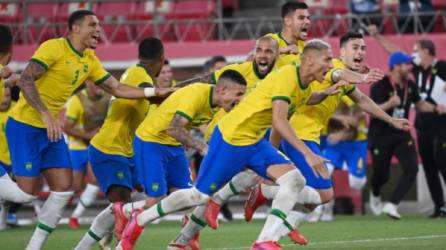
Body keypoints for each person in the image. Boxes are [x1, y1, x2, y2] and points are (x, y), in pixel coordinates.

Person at [115, 39, 342, 250]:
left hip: (253, 140)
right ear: (309, 60)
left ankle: (264, 241)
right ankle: (141, 218)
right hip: (232, 139)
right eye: (327, 60)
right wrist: (307, 154)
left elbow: (276, 122)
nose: (330, 65)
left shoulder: (301, 86)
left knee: (294, 179)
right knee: (198, 197)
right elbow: (279, 120)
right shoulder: (287, 77)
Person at [4, 10, 173, 250]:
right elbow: (26, 80)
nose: (99, 29)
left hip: (49, 131)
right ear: (75, 28)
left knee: (63, 191)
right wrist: (45, 114)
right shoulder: (53, 47)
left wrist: (152, 92)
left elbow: (117, 88)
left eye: (100, 25)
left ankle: (33, 247)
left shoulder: (90, 60)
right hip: (25, 125)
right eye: (93, 25)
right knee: (26, 194)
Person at [166, 35, 280, 250]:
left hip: (247, 137)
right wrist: (170, 91)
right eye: (260, 50)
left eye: (269, 51)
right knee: (205, 192)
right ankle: (146, 218)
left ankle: (185, 236)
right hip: (224, 136)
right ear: (254, 53)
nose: (263, 55)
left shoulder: (279, 75)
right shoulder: (241, 70)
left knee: (242, 180)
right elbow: (204, 80)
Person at [74, 37, 168, 250]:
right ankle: (101, 242)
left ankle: (100, 239)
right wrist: (188, 92)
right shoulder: (140, 76)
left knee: (143, 197)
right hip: (109, 149)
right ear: (161, 59)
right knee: (123, 208)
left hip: (125, 152)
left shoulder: (135, 74)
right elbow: (154, 97)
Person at [368, 24, 446, 218]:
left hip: (423, 128)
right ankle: (439, 207)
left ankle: (393, 204)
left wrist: (439, 107)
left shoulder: (433, 71)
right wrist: (377, 36)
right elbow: (371, 110)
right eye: (405, 62)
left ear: (427, 51)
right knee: (387, 174)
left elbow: (420, 103)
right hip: (400, 130)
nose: (411, 61)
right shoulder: (388, 82)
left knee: (428, 165)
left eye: (416, 51)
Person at [64, 80, 110, 229]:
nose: (99, 87)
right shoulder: (77, 100)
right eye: (96, 84)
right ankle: (48, 213)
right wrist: (87, 136)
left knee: (94, 180)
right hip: (76, 148)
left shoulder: (107, 99)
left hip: (94, 147)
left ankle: (75, 216)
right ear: (88, 83)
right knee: (75, 185)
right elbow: (66, 127)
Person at [266, 1, 310, 68]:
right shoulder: (272, 40)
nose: (307, 22)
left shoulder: (305, 46)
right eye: (301, 18)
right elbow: (254, 58)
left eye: (308, 18)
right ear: (288, 21)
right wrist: (283, 50)